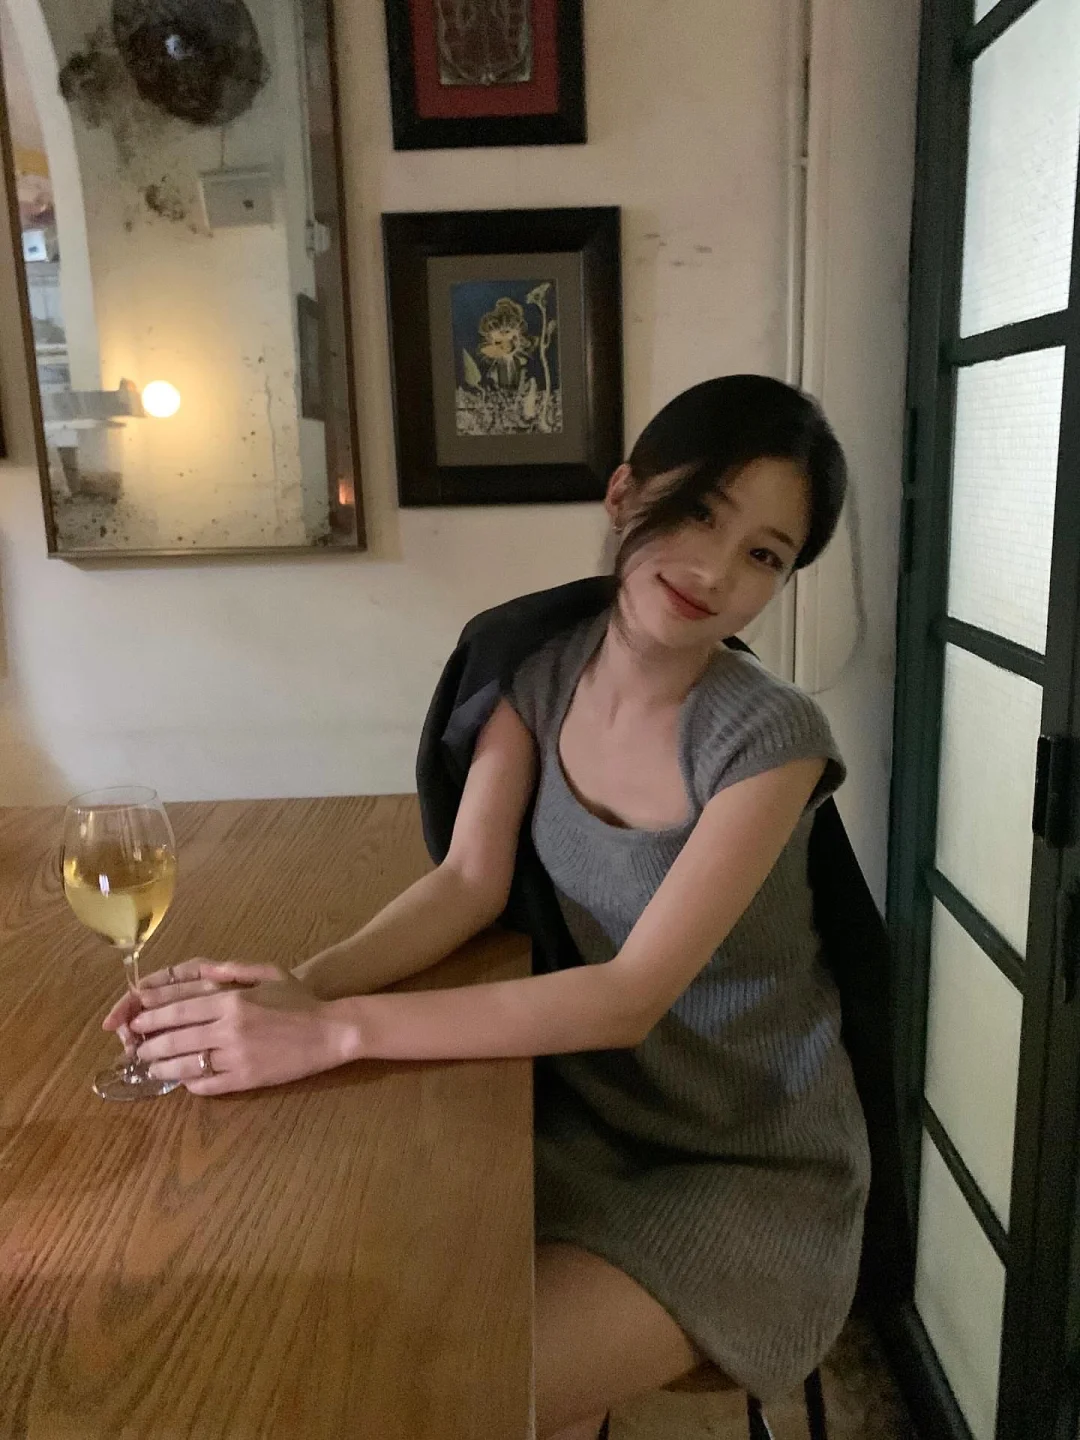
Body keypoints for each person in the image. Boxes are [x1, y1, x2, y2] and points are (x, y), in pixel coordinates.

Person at [106, 375, 872, 1440]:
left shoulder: (770, 738)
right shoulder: (539, 673)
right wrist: (299, 989)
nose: (715, 570)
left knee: (444, 1387)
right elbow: (468, 882)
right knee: (345, 1294)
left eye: (765, 555)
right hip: (570, 1120)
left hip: (746, 1164)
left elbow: (627, 997)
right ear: (624, 494)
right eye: (700, 512)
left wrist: (334, 1029)